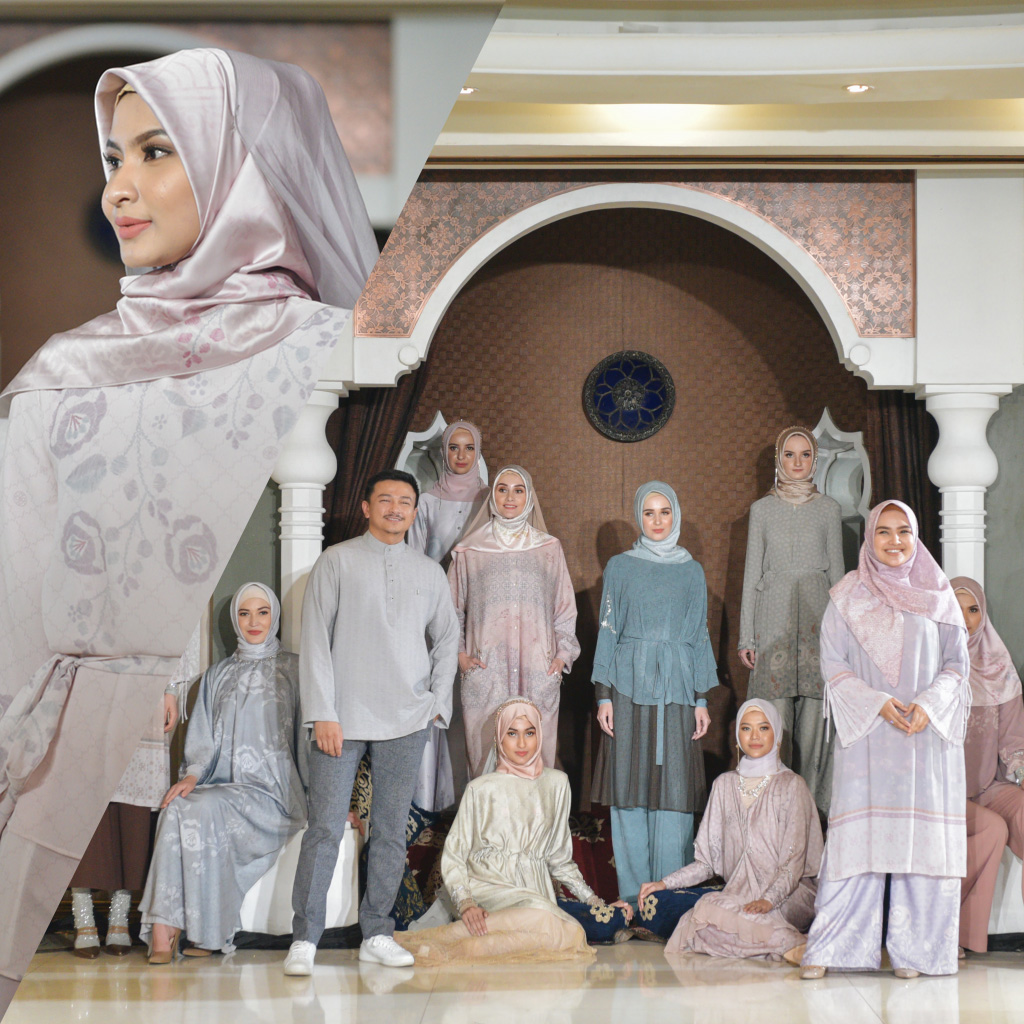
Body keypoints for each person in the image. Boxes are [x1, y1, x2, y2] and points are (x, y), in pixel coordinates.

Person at [0, 48, 375, 1005]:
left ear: (242, 164)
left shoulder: (323, 342)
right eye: (112, 159)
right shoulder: (62, 375)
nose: (117, 191)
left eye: (156, 152)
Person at [286, 470, 459, 975]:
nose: (395, 508)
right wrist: (322, 712)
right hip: (340, 720)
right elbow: (314, 638)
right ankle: (305, 938)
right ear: (366, 507)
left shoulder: (429, 572)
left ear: (414, 511)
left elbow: (449, 637)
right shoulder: (336, 561)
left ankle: (377, 932)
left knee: (389, 831)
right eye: (385, 499)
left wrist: (436, 703)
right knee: (324, 829)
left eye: (405, 501)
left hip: (407, 719)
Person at [800, 500, 969, 979]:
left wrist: (929, 704)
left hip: (925, 739)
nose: (895, 541)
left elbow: (958, 665)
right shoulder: (846, 597)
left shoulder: (939, 596)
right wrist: (876, 703)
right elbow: (833, 665)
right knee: (857, 846)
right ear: (869, 538)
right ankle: (833, 948)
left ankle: (918, 952)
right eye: (884, 532)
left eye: (904, 532)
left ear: (916, 537)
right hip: (870, 737)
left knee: (923, 848)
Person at [139, 583, 306, 962]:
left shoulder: (295, 670)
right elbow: (201, 738)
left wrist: (328, 801)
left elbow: (307, 741)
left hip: (274, 797)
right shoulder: (217, 675)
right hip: (221, 786)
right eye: (245, 613)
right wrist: (191, 776)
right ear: (235, 620)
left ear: (274, 616)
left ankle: (201, 932)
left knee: (205, 810)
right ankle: (166, 929)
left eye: (262, 612)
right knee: (176, 807)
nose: (253, 622)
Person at [394, 698, 631, 964]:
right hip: (488, 888)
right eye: (511, 733)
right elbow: (455, 855)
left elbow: (560, 860)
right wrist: (467, 904)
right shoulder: (480, 789)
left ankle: (452, 947)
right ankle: (439, 940)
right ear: (499, 738)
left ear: (539, 734)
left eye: (529, 733)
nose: (521, 743)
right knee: (556, 926)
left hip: (534, 892)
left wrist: (595, 902)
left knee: (566, 933)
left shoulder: (557, 784)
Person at [591, 481, 717, 906]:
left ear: (675, 515)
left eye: (665, 512)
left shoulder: (692, 570)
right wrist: (603, 696)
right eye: (649, 512)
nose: (658, 521)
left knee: (674, 788)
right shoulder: (619, 567)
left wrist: (701, 699)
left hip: (677, 689)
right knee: (628, 786)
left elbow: (699, 635)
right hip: (626, 686)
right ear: (638, 517)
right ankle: (631, 900)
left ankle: (667, 900)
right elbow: (607, 631)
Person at [639, 700, 822, 962]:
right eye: (746, 728)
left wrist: (768, 900)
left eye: (764, 728)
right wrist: (663, 883)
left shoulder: (793, 786)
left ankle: (783, 942)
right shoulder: (723, 785)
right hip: (739, 897)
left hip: (790, 896)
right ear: (737, 737)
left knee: (730, 921)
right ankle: (791, 946)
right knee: (701, 914)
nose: (755, 736)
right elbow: (706, 864)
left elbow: (794, 863)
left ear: (777, 735)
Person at [738, 426, 845, 816]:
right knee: (772, 722)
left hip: (819, 622)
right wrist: (747, 637)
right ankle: (772, 815)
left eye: (805, 455)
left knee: (816, 729)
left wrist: (843, 640)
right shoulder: (762, 510)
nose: (797, 462)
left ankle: (812, 819)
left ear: (814, 460)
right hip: (773, 623)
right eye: (789, 454)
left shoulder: (829, 509)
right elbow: (751, 575)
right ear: (778, 460)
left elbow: (839, 577)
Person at [449, 466, 579, 778]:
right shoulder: (470, 550)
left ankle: (535, 814)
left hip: (538, 671)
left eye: (518, 490)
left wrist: (561, 657)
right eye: (502, 489)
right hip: (486, 673)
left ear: (529, 496)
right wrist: (460, 655)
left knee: (535, 761)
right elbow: (450, 610)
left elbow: (564, 609)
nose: (510, 497)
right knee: (486, 762)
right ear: (492, 495)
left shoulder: (548, 548)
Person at [407, 419, 488, 811]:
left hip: (480, 615)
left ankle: (474, 803)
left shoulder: (490, 500)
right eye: (453, 448)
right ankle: (429, 802)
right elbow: (414, 559)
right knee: (435, 698)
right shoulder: (426, 501)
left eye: (469, 448)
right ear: (443, 452)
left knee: (475, 700)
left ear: (478, 453)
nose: (461, 456)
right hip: (434, 614)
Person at [68, 686, 180, 958]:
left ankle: (120, 915)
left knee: (134, 813)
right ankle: (83, 915)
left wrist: (171, 690)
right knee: (85, 800)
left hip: (144, 687)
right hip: (91, 683)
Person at [949, 576, 1024, 955]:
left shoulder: (999, 666)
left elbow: (1014, 742)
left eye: (973, 610)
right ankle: (947, 930)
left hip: (988, 785)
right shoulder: (926, 664)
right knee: (992, 828)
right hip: (941, 791)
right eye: (956, 608)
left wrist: (1022, 773)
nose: (965, 619)